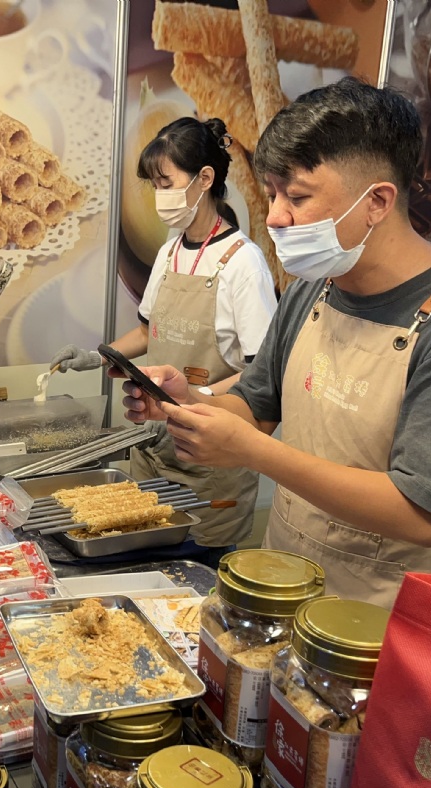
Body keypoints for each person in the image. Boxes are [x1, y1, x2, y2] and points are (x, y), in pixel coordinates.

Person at [120, 79, 431, 608]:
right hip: (285, 581)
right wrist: (189, 403)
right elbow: (257, 407)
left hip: (388, 616)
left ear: (376, 201)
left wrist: (254, 453)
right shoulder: (313, 288)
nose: (274, 216)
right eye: (271, 193)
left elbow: (422, 514)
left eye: (297, 196)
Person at [52, 117, 276, 559]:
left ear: (204, 179)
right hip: (155, 450)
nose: (159, 195)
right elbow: (147, 330)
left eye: (166, 183)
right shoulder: (170, 252)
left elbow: (260, 374)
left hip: (208, 460)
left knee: (196, 571)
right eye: (154, 185)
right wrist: (99, 357)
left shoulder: (243, 263)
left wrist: (193, 399)